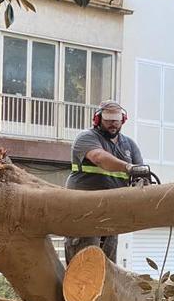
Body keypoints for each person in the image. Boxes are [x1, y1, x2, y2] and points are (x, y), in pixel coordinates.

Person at [64, 100, 149, 264]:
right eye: (108, 119)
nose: (113, 123)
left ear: (122, 120)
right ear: (98, 119)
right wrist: (128, 167)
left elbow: (140, 174)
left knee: (107, 267)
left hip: (111, 214)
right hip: (84, 212)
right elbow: (99, 158)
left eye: (116, 119)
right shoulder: (86, 138)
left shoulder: (129, 145)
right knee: (83, 266)